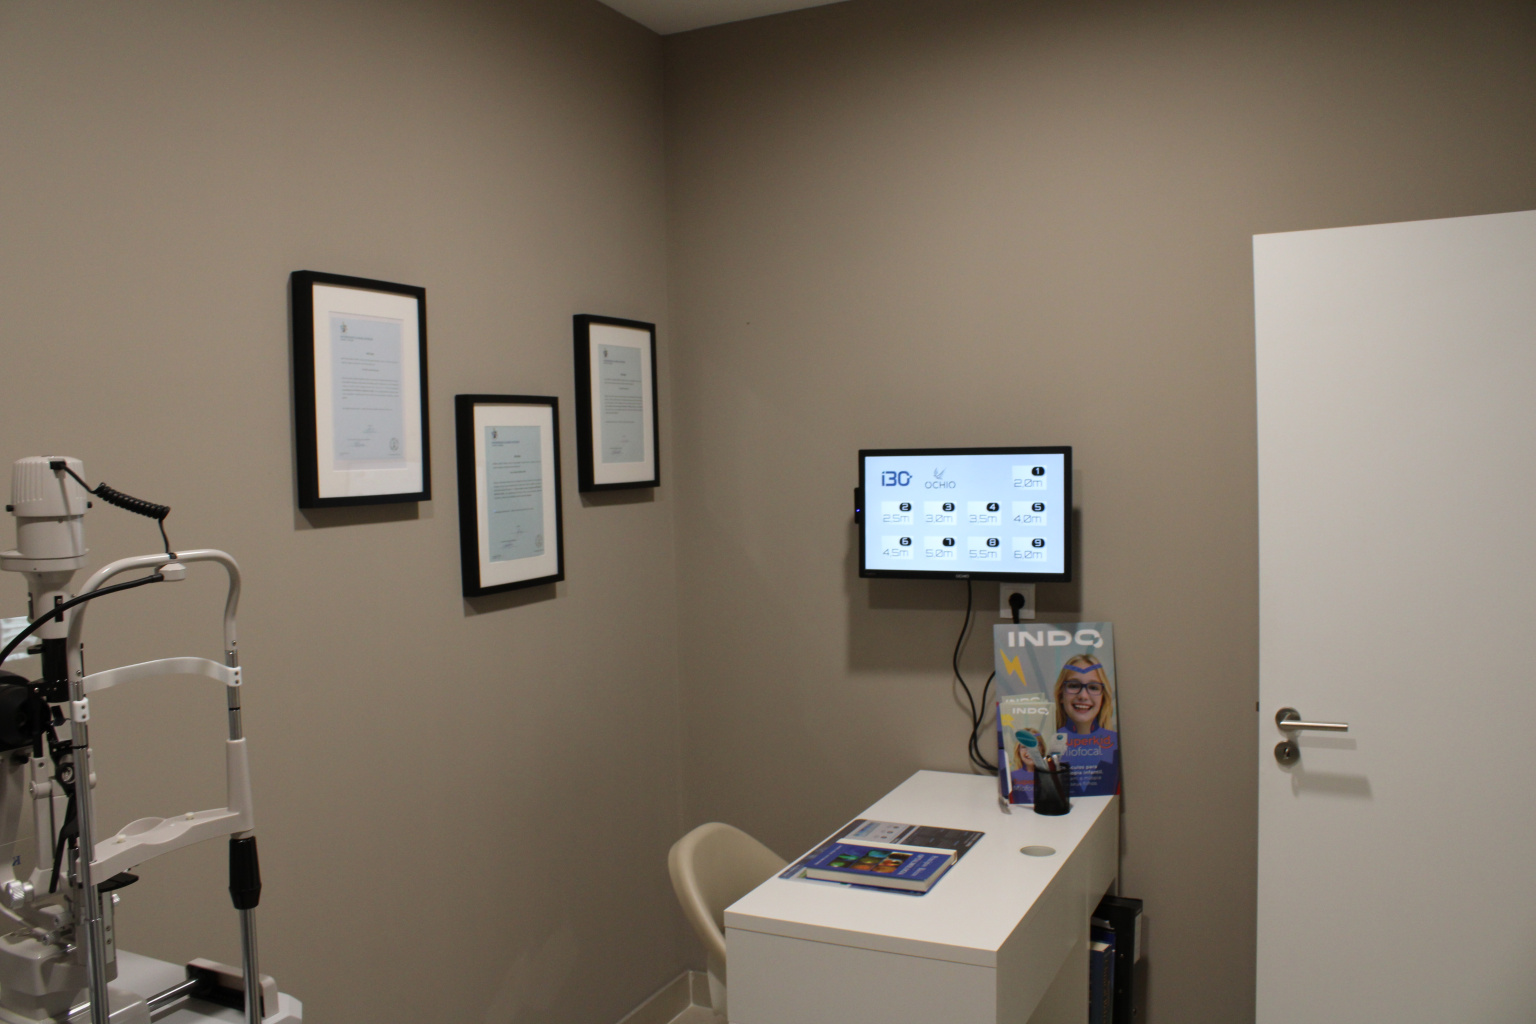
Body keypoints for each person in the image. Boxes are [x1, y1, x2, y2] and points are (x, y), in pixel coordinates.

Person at [1051, 654, 1118, 795]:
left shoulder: (1118, 746)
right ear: (1061, 695)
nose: (1083, 696)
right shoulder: (1047, 745)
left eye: (1093, 687)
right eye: (1074, 686)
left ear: (1103, 697)